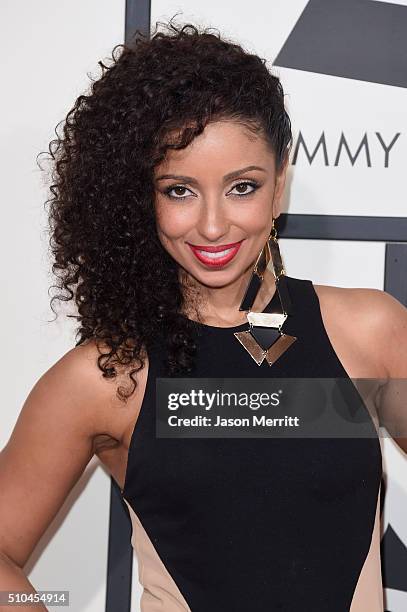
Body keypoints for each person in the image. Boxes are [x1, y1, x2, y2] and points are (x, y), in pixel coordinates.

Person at [0, 19, 406, 612]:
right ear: (141, 194)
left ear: (280, 183)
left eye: (242, 186)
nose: (213, 226)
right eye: (180, 190)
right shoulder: (109, 377)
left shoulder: (368, 332)